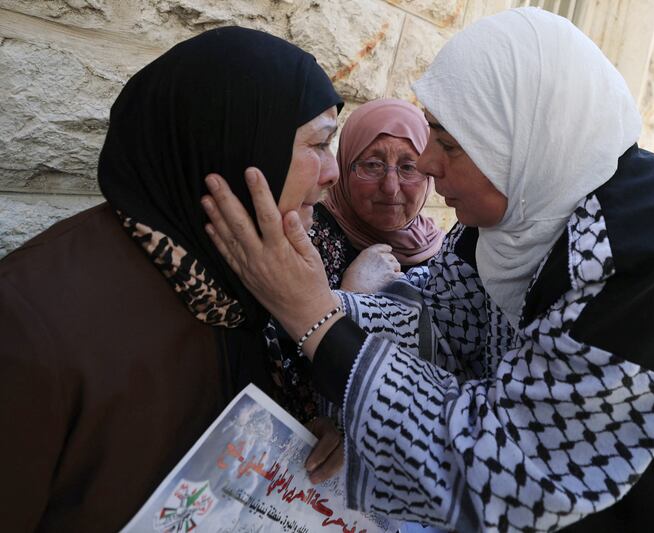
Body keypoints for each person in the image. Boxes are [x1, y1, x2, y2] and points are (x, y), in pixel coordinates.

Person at [200, 8, 654, 533]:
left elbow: (510, 475)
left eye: (451, 145)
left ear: (527, 139)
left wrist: (315, 319)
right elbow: (439, 328)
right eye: (433, 133)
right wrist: (315, 304)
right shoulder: (517, 219)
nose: (428, 165)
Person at [0, 26, 386, 530]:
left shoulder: (240, 281)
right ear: (237, 144)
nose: (333, 172)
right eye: (319, 144)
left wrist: (292, 445)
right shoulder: (31, 323)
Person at [320, 98, 445, 272]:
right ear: (345, 165)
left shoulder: (446, 253)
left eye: (408, 167)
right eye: (373, 165)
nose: (390, 188)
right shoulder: (310, 239)